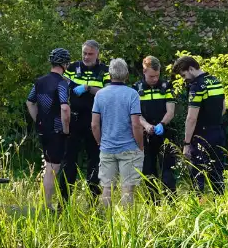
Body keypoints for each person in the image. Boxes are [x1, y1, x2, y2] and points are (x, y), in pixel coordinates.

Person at [91, 58, 144, 207]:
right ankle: (127, 226)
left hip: (107, 148)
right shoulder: (132, 94)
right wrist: (140, 145)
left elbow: (94, 125)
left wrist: (100, 142)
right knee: (128, 190)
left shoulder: (100, 94)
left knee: (107, 188)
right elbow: (136, 124)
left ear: (109, 74)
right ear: (126, 74)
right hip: (129, 148)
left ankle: (107, 224)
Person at [62, 40, 110, 200]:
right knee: (69, 161)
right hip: (74, 119)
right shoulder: (72, 68)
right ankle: (64, 201)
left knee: (95, 160)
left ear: (97, 54)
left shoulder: (105, 71)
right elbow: (63, 85)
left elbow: (108, 93)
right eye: (84, 53)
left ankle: (93, 201)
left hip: (94, 120)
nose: (86, 57)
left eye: (90, 54)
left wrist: (88, 88)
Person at [26, 48, 72, 211]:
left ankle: (45, 204)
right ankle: (47, 206)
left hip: (43, 129)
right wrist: (66, 129)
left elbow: (30, 102)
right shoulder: (62, 83)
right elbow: (65, 108)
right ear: (64, 64)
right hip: (57, 131)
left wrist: (38, 120)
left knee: (48, 166)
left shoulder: (39, 81)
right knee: (53, 169)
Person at [173, 56, 226, 194]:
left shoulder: (196, 87)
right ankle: (221, 205)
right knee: (218, 173)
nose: (184, 79)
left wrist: (186, 144)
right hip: (218, 131)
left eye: (184, 75)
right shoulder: (215, 81)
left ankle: (198, 207)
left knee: (198, 174)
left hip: (201, 136)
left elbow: (191, 118)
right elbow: (223, 108)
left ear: (191, 69)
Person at [135, 56, 177, 195]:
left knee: (168, 170)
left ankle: (171, 202)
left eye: (157, 75)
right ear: (144, 71)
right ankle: (152, 204)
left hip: (164, 131)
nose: (155, 79)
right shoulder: (136, 88)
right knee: (148, 171)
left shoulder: (166, 86)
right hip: (146, 134)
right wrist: (146, 125)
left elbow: (170, 111)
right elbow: (135, 114)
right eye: (152, 76)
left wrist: (162, 124)